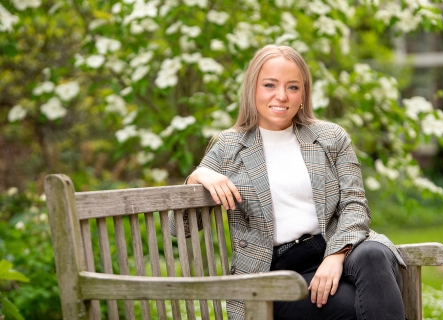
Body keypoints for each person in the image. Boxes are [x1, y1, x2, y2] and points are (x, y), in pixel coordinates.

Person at [170, 45, 407, 320]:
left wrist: (335, 256)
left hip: (339, 249)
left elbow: (356, 206)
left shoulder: (331, 138)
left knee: (374, 255)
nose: (281, 96)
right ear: (253, 89)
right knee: (359, 306)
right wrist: (196, 176)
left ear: (304, 93)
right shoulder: (229, 147)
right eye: (270, 85)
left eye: (293, 87)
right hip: (279, 272)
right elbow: (181, 228)